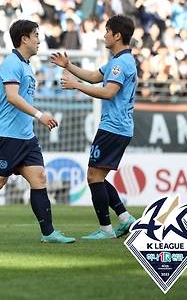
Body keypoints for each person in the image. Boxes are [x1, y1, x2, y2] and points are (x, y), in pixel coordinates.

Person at [0, 20, 75, 244]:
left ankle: (48, 233)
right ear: (24, 39)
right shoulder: (12, 63)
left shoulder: (26, 64)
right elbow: (11, 96)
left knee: (39, 178)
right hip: (7, 135)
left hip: (25, 136)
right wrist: (40, 115)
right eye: (36, 35)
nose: (39, 40)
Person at [51, 15, 137, 239]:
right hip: (118, 127)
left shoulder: (121, 63)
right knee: (97, 176)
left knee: (93, 177)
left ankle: (106, 229)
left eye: (107, 31)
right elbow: (93, 76)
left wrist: (75, 85)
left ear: (117, 35)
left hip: (113, 127)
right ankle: (126, 219)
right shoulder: (119, 60)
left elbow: (108, 92)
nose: (104, 35)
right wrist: (69, 66)